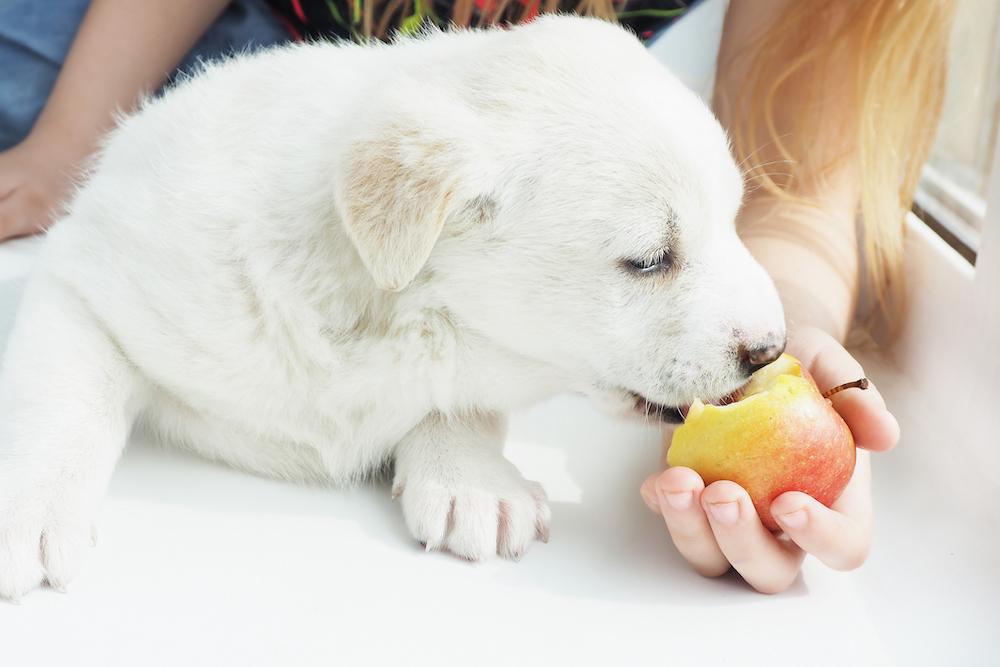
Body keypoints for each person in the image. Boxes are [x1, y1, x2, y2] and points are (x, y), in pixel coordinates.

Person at [0, 0, 955, 593]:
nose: (759, 331)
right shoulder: (232, 225)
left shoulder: (567, 164)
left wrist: (804, 353)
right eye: (648, 259)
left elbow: (803, 175)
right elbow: (81, 289)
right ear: (419, 218)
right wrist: (65, 146)